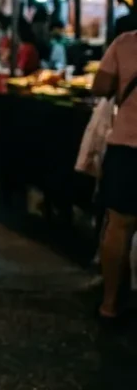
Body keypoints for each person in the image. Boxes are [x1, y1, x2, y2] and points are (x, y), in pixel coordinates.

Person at [92, 30, 137, 323]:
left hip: (127, 147)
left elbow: (100, 86)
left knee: (119, 224)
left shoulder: (125, 43)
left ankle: (109, 303)